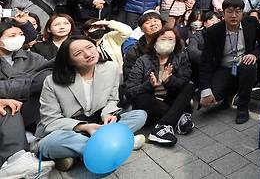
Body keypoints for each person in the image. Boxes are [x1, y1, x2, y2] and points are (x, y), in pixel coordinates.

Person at [36, 36, 147, 171]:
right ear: (69, 61)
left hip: (100, 123)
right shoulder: (52, 81)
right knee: (47, 144)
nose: (88, 54)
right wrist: (84, 127)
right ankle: (119, 144)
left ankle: (79, 153)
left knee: (140, 115)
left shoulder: (110, 68)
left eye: (89, 47)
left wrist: (108, 114)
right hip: (70, 128)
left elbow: (112, 99)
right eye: (78, 53)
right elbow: (50, 120)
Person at [199, 0, 260, 124]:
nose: (234, 15)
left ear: (243, 12)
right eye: (229, 11)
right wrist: (205, 90)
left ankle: (243, 107)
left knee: (249, 65)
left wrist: (254, 53)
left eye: (238, 11)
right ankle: (232, 91)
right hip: (224, 68)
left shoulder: (251, 23)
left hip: (244, 65)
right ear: (223, 14)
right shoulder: (213, 32)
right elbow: (206, 62)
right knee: (212, 98)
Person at [0, 21, 55, 178]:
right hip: (6, 112)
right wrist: (27, 83)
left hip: (31, 109)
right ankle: (15, 158)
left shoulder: (32, 57)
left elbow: (47, 75)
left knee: (47, 79)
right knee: (9, 106)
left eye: (21, 34)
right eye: (12, 35)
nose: (18, 38)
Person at [125, 28, 195, 146]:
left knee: (189, 86)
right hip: (152, 104)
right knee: (141, 98)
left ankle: (162, 126)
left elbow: (184, 81)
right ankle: (179, 117)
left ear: (176, 43)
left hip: (171, 100)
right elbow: (130, 90)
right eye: (163, 38)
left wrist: (169, 80)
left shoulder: (180, 57)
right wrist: (149, 85)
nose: (166, 41)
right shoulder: (143, 61)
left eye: (170, 39)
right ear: (155, 41)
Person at [122, 11, 164, 81]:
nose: (153, 24)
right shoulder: (134, 51)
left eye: (155, 21)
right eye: (147, 23)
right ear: (141, 29)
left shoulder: (173, 43)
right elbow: (129, 78)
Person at [188, 11, 221, 85]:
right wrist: (209, 57)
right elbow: (192, 51)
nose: (214, 23)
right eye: (212, 20)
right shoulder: (197, 36)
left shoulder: (223, 35)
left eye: (216, 21)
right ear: (205, 23)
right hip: (202, 69)